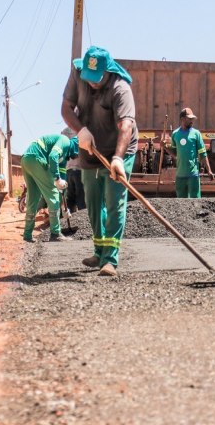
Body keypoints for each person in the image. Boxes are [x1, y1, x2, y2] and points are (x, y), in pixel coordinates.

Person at [61, 45, 138, 277]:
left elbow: (126, 125)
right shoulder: (78, 74)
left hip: (118, 150)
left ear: (107, 72)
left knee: (114, 202)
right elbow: (65, 108)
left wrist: (117, 159)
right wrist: (80, 130)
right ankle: (99, 251)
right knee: (93, 202)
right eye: (89, 77)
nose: (92, 82)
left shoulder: (120, 88)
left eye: (98, 78)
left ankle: (110, 260)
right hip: (89, 146)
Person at [21, 134, 79, 242]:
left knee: (33, 198)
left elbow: (63, 185)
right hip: (37, 158)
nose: (78, 156)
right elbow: (52, 156)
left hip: (27, 159)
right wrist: (56, 178)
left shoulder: (64, 157)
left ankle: (27, 234)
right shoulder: (65, 141)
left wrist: (63, 207)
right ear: (77, 146)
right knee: (53, 196)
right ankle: (55, 233)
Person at [163, 107, 214, 198]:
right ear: (182, 119)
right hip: (180, 176)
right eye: (189, 119)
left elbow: (203, 153)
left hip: (193, 176)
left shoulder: (196, 134)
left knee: (196, 203)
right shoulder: (175, 134)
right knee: (182, 206)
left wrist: (209, 170)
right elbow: (175, 154)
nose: (192, 121)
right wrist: (165, 147)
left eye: (192, 119)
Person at [61, 127, 85, 212]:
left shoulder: (64, 132)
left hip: (68, 169)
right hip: (79, 169)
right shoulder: (81, 128)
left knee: (70, 199)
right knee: (81, 198)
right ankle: (83, 220)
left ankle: (70, 219)